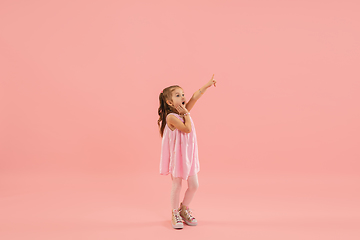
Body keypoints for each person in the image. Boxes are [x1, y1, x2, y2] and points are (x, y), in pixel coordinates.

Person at [157, 74, 217, 229]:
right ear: (170, 102)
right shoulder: (172, 117)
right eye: (178, 95)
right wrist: (187, 114)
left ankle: (184, 208)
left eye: (183, 94)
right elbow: (187, 129)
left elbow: (194, 97)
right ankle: (175, 212)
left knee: (194, 185)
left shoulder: (182, 112)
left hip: (189, 156)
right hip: (178, 158)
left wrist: (207, 85)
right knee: (177, 185)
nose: (183, 97)